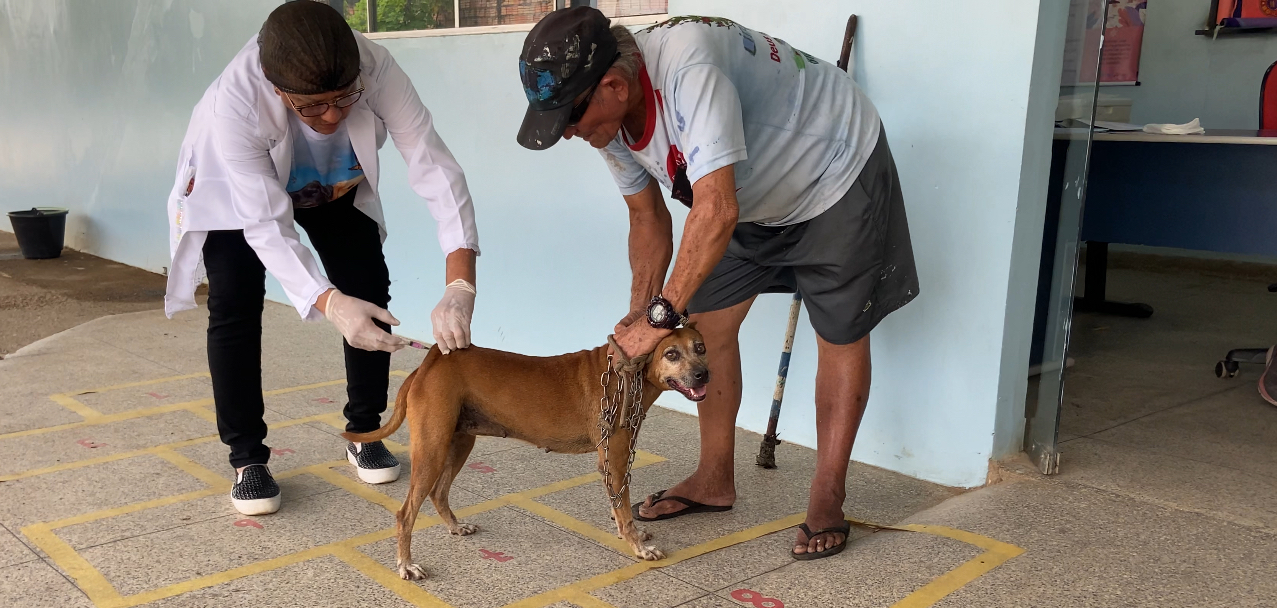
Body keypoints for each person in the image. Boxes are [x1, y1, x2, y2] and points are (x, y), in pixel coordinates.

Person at [516, 9, 918, 559]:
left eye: (570, 118)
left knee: (841, 332)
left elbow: (716, 209)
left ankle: (828, 494)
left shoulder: (689, 69)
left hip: (834, 169)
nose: (568, 132)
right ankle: (714, 477)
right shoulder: (607, 124)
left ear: (612, 84)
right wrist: (641, 319)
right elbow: (647, 220)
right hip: (749, 197)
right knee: (705, 326)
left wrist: (660, 315)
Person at [165, 0, 479, 515]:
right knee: (235, 304)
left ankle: (364, 429)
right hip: (234, 195)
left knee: (368, 284)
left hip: (327, 184)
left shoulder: (375, 68)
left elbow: (434, 164)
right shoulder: (235, 105)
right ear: (276, 88)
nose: (333, 116)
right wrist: (327, 303)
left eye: (345, 99)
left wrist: (460, 282)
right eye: (313, 107)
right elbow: (266, 224)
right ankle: (247, 457)